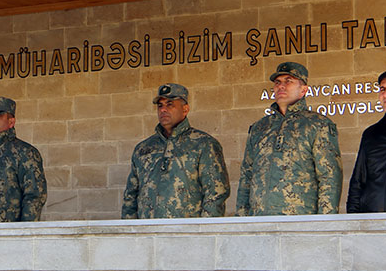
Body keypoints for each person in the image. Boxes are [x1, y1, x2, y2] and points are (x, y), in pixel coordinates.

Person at [236, 61, 343, 216]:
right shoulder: (260, 128)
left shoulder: (317, 124)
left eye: (288, 81)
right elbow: (247, 176)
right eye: (277, 82)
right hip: (259, 219)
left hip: (300, 220)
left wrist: (324, 223)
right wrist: (242, 219)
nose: (281, 86)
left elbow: (329, 177)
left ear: (303, 90)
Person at [120, 83, 229, 219]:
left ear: (185, 109)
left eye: (170, 104)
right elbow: (130, 198)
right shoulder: (143, 149)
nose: (163, 110)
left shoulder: (203, 144)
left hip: (187, 230)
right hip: (149, 230)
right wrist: (132, 229)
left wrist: (202, 230)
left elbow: (216, 194)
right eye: (160, 105)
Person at [0, 96, 47, 221]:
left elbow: (34, 196)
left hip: (10, 228)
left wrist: (25, 229)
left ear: (11, 122)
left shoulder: (25, 152)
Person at [347, 69, 386, 213]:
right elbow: (358, 182)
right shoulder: (371, 134)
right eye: (382, 89)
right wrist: (353, 217)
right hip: (374, 218)